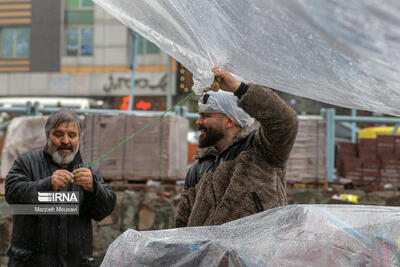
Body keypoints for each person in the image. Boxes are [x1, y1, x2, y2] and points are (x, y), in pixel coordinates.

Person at [175, 68, 298, 227]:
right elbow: (182, 225)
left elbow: (285, 121)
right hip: (209, 252)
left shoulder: (261, 150)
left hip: (257, 251)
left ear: (229, 120)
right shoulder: (197, 168)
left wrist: (238, 88)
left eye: (206, 116)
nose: (198, 122)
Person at [5, 109, 116, 266]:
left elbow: (103, 211)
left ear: (79, 139)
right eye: (59, 134)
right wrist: (47, 184)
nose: (65, 141)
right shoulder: (26, 162)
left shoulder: (89, 171)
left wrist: (93, 188)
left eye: (72, 135)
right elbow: (12, 194)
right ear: (47, 137)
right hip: (30, 262)